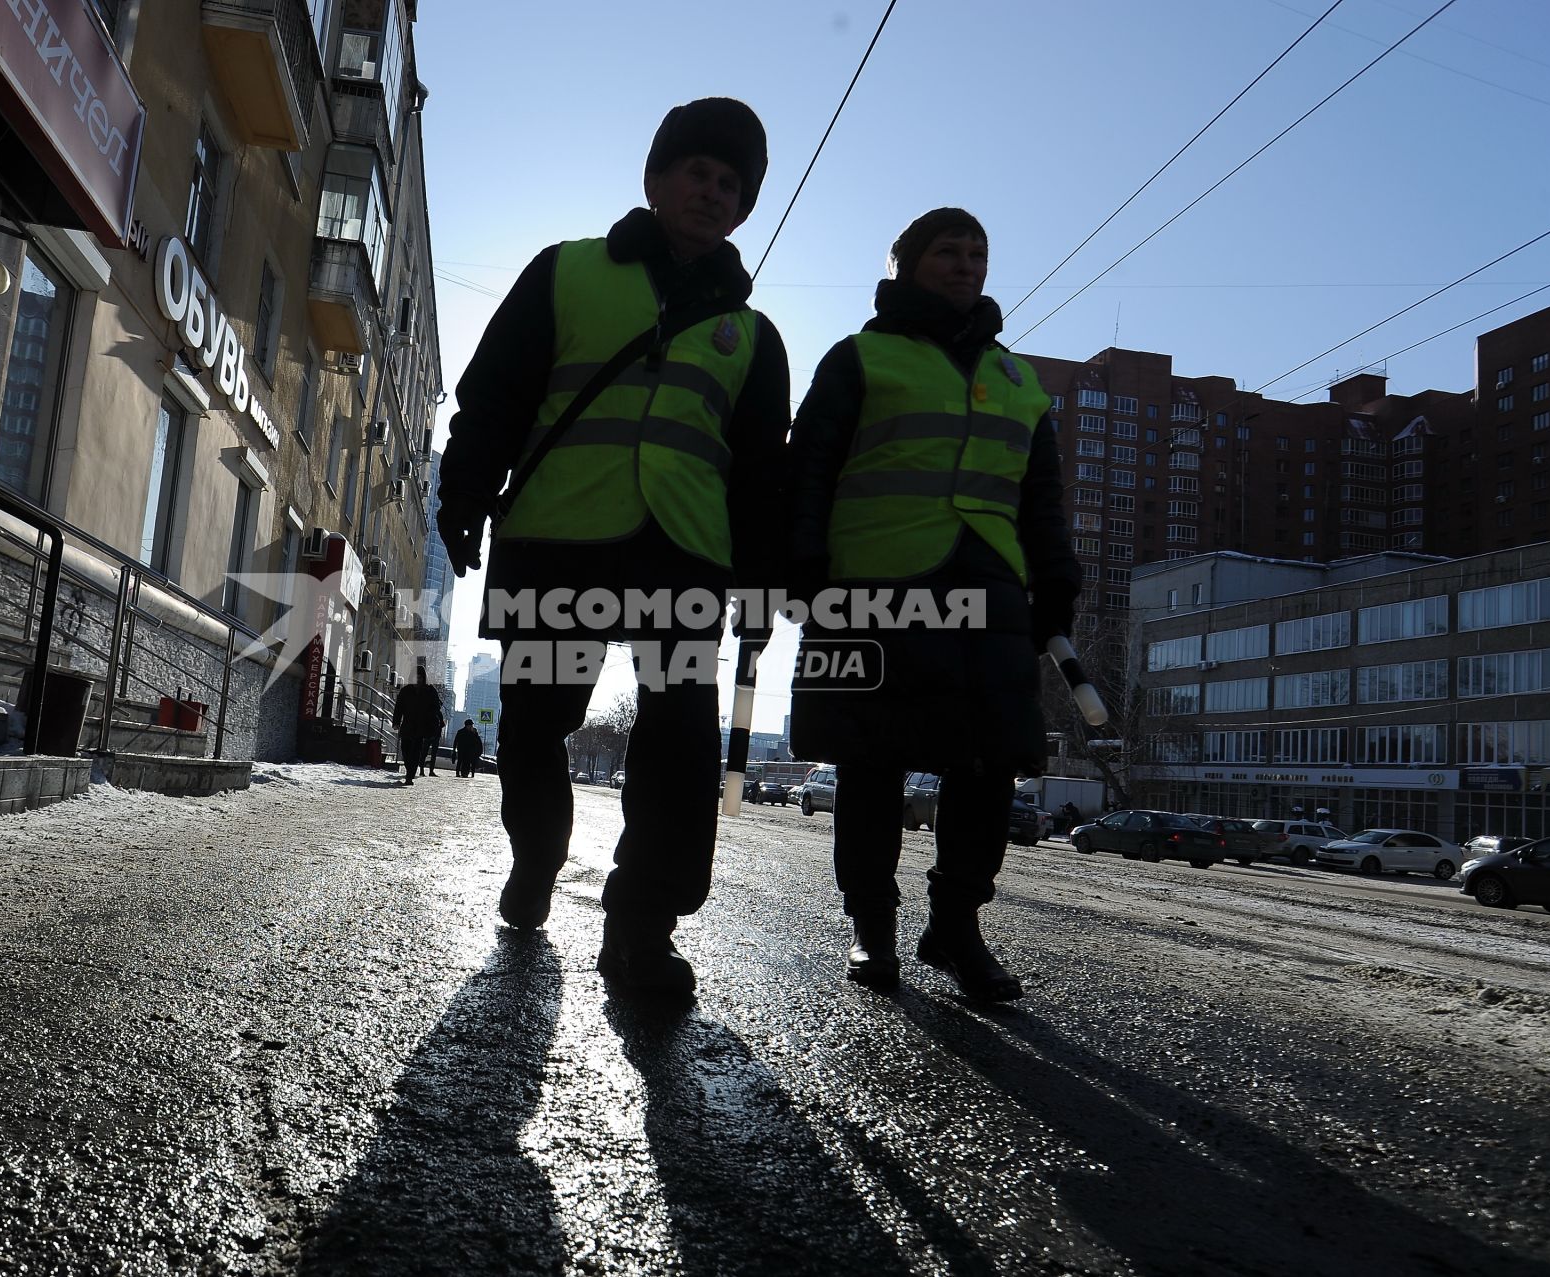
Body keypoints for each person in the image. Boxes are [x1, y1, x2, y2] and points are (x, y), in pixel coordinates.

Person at [436, 98, 790, 995]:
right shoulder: (566, 273)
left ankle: (643, 924)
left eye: (731, 185)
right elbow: (497, 391)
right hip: (558, 537)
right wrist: (466, 491)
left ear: (743, 209)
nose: (713, 193)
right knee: (532, 723)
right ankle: (538, 856)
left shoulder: (754, 337)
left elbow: (760, 477)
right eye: (698, 173)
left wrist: (763, 587)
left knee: (678, 737)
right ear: (656, 180)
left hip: (686, 554)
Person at [786, 207, 1081, 1000]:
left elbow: (1041, 503)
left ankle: (955, 927)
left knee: (989, 763)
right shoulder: (859, 359)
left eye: (978, 253)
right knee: (870, 761)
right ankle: (871, 929)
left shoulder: (1019, 382)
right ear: (907, 265)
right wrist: (802, 561)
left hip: (987, 592)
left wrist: (1056, 584)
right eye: (947, 252)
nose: (966, 265)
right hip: (871, 585)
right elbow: (808, 465)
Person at [392, 667, 445, 786]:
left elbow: (436, 706)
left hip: (421, 727)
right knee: (405, 749)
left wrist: (430, 717)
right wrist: (396, 721)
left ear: (424, 678)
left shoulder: (430, 691)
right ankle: (408, 769)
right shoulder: (406, 691)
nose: (418, 680)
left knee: (416, 752)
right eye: (416, 677)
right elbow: (398, 707)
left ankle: (409, 776)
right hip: (407, 725)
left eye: (420, 678)